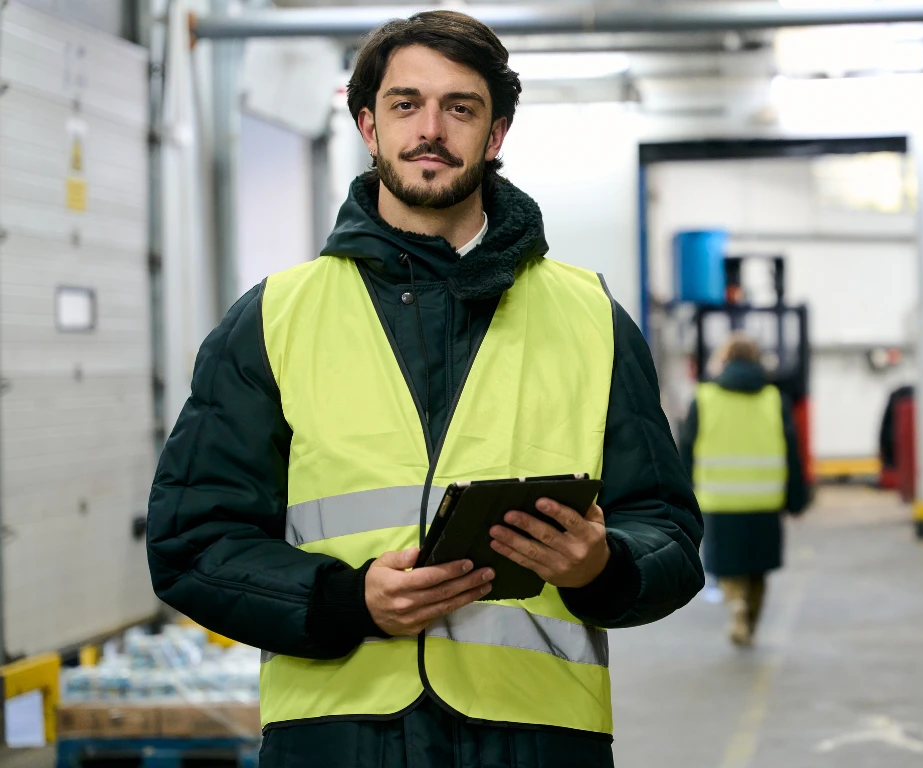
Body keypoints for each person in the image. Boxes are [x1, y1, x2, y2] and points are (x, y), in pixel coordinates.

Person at [145, 11, 703, 768]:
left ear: (496, 134)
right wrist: (346, 601)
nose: (431, 128)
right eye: (406, 105)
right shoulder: (274, 319)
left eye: (460, 107)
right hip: (337, 741)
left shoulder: (592, 319)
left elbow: (667, 532)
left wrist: (602, 568)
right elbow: (191, 542)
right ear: (369, 127)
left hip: (535, 739)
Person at [678, 334, 810, 647]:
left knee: (728, 565)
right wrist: (797, 498)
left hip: (720, 500)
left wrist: (681, 495)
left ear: (724, 360)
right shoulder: (775, 400)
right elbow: (792, 451)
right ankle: (750, 619)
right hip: (765, 500)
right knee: (758, 568)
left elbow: (686, 449)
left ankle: (735, 605)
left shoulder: (705, 397)